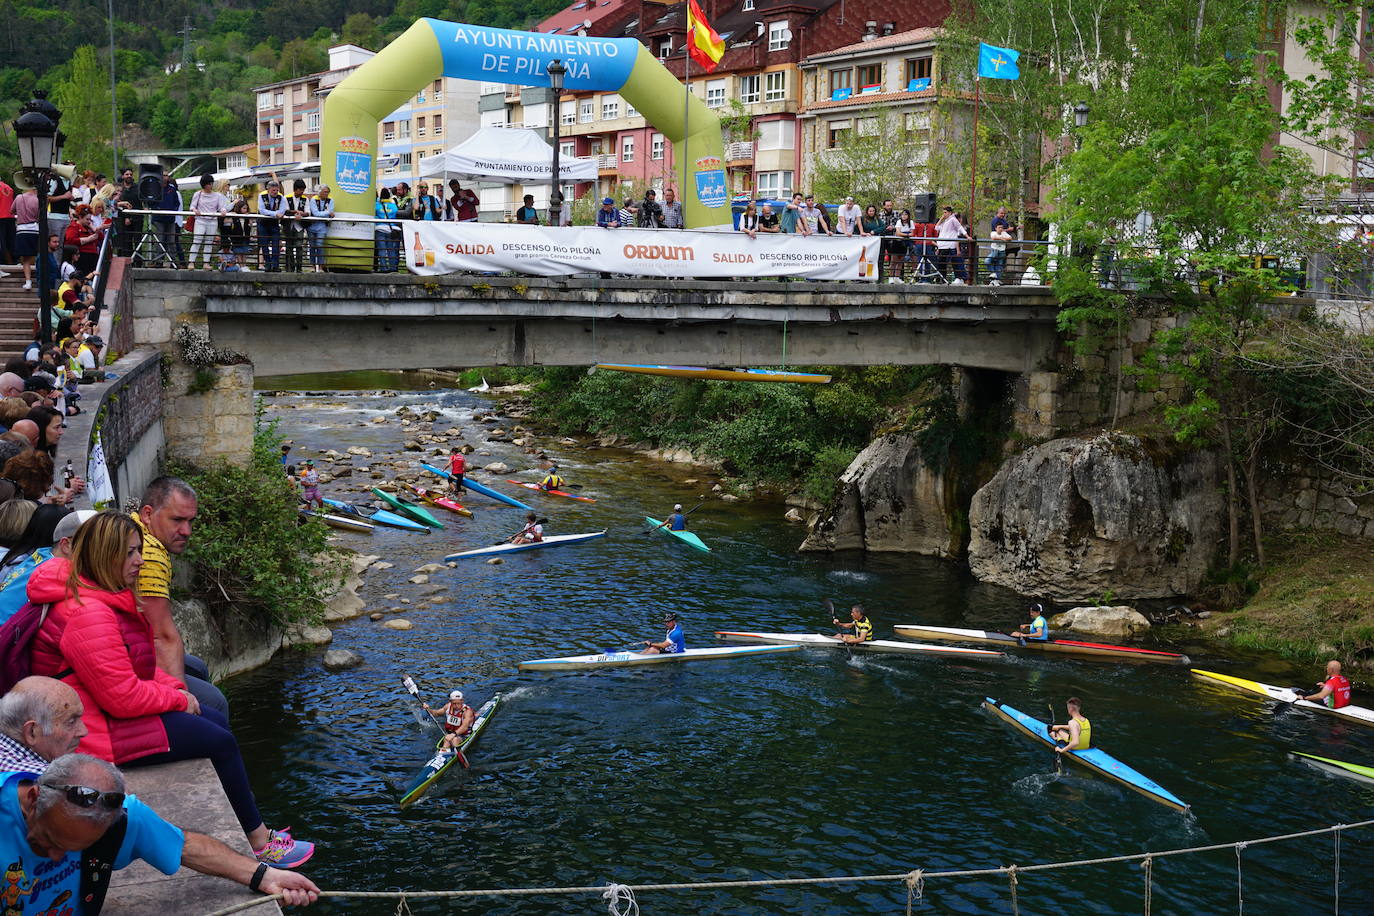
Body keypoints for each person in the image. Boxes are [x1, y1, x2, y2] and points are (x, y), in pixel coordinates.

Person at [27, 512, 316, 867]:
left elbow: (135, 666)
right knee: (219, 741)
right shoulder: (88, 613)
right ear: (105, 555)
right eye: (131, 553)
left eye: (140, 551)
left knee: (212, 718)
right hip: (95, 731)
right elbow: (121, 698)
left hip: (98, 711)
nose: (140, 561)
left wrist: (175, 688)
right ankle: (260, 842)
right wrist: (178, 697)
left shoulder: (94, 596)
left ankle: (252, 822)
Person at [0, 753, 321, 910]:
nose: (58, 857)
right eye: (51, 841)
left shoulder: (121, 821)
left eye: (74, 849)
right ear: (33, 798)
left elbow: (185, 846)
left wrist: (266, 877)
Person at [131, 477, 229, 720]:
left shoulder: (133, 529)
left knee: (196, 666)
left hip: (127, 645)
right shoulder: (150, 555)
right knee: (215, 703)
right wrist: (179, 698)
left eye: (190, 521)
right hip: (128, 657)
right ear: (147, 514)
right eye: (177, 520)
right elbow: (161, 637)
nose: (187, 531)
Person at [188, 174, 229, 270]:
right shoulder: (198, 194)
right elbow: (192, 206)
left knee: (209, 242)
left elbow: (221, 207)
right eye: (209, 184)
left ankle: (206, 263)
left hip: (212, 221)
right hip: (200, 220)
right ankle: (191, 262)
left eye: (211, 183)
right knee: (197, 241)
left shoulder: (217, 195)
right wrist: (195, 210)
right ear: (204, 184)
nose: (211, 185)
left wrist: (223, 210)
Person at [152, 175, 183, 267]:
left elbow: (176, 203)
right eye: (164, 175)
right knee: (160, 240)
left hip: (170, 219)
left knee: (171, 241)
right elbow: (151, 202)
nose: (166, 177)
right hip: (159, 218)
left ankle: (172, 261)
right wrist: (157, 209)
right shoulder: (156, 188)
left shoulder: (172, 189)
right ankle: (159, 261)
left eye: (167, 176)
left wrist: (173, 210)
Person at [935, 206, 968, 284]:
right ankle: (942, 279)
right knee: (941, 263)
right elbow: (936, 227)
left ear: (950, 213)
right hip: (943, 245)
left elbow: (960, 228)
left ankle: (960, 278)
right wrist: (941, 219)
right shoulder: (945, 221)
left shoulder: (953, 219)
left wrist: (967, 236)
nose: (944, 214)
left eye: (945, 212)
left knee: (955, 261)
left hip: (949, 245)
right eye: (943, 212)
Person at [14, 186, 39, 290]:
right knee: (38, 256)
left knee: (26, 259)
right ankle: (39, 280)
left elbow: (12, 210)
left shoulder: (19, 197)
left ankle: (28, 282)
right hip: (35, 229)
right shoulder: (37, 199)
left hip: (22, 229)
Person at [306, 186, 334, 272]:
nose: (326, 194)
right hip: (311, 226)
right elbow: (315, 213)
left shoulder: (330, 200)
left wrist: (326, 213)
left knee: (320, 245)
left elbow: (325, 212)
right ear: (320, 192)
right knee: (312, 246)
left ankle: (321, 267)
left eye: (327, 192)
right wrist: (328, 212)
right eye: (325, 192)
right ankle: (313, 266)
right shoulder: (314, 199)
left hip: (322, 226)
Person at [374, 188, 399, 272]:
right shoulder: (393, 205)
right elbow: (396, 214)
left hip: (379, 229)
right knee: (391, 250)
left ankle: (383, 268)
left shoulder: (376, 204)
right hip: (391, 229)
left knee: (382, 250)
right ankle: (393, 268)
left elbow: (374, 215)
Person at [987, 215, 1014, 285]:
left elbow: (1010, 238)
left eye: (1002, 227)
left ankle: (996, 280)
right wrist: (1002, 238)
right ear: (996, 228)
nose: (1001, 229)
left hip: (1002, 252)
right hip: (994, 251)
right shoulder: (993, 232)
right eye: (999, 227)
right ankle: (993, 274)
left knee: (999, 266)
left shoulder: (1004, 233)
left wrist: (1004, 238)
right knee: (987, 261)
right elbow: (993, 238)